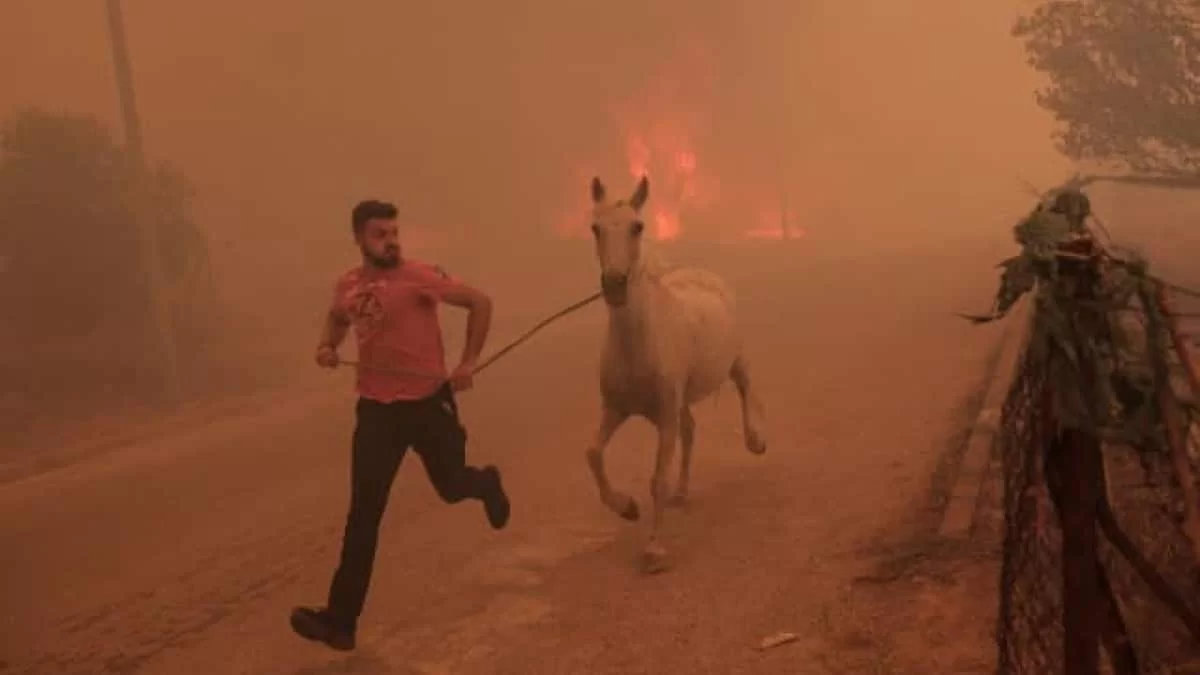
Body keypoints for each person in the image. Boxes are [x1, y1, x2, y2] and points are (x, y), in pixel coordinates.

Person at [289, 199, 510, 651]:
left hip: (429, 404)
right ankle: (341, 621)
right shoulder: (347, 286)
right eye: (379, 234)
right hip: (376, 412)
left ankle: (485, 483)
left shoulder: (419, 276)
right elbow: (336, 320)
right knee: (364, 514)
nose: (390, 241)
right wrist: (326, 347)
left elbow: (479, 302)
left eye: (393, 232)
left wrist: (468, 362)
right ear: (358, 238)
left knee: (450, 487)